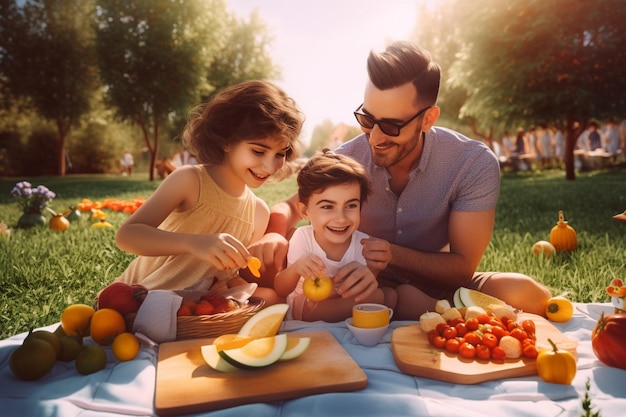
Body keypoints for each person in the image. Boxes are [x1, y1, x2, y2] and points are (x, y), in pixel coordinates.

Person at [252, 41, 551, 319]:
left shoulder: (471, 163)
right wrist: (274, 234)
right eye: (367, 120)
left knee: (525, 293)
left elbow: (461, 268)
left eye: (392, 126)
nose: (375, 138)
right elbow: (293, 207)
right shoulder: (347, 158)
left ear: (428, 119)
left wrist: (393, 255)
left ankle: (441, 313)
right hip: (357, 290)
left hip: (437, 283)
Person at [114, 80, 303, 305]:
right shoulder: (190, 180)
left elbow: (228, 276)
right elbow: (127, 236)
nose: (270, 167)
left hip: (197, 306)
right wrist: (194, 243)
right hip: (141, 297)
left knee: (272, 299)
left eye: (280, 154)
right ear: (226, 140)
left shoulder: (258, 212)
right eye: (258, 151)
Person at [274, 150, 397, 322]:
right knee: (379, 298)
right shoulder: (303, 237)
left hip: (341, 302)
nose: (341, 218)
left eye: (351, 206)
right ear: (304, 211)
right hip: (306, 306)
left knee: (386, 295)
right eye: (327, 207)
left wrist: (370, 272)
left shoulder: (363, 244)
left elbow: (362, 288)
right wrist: (296, 269)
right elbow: (280, 289)